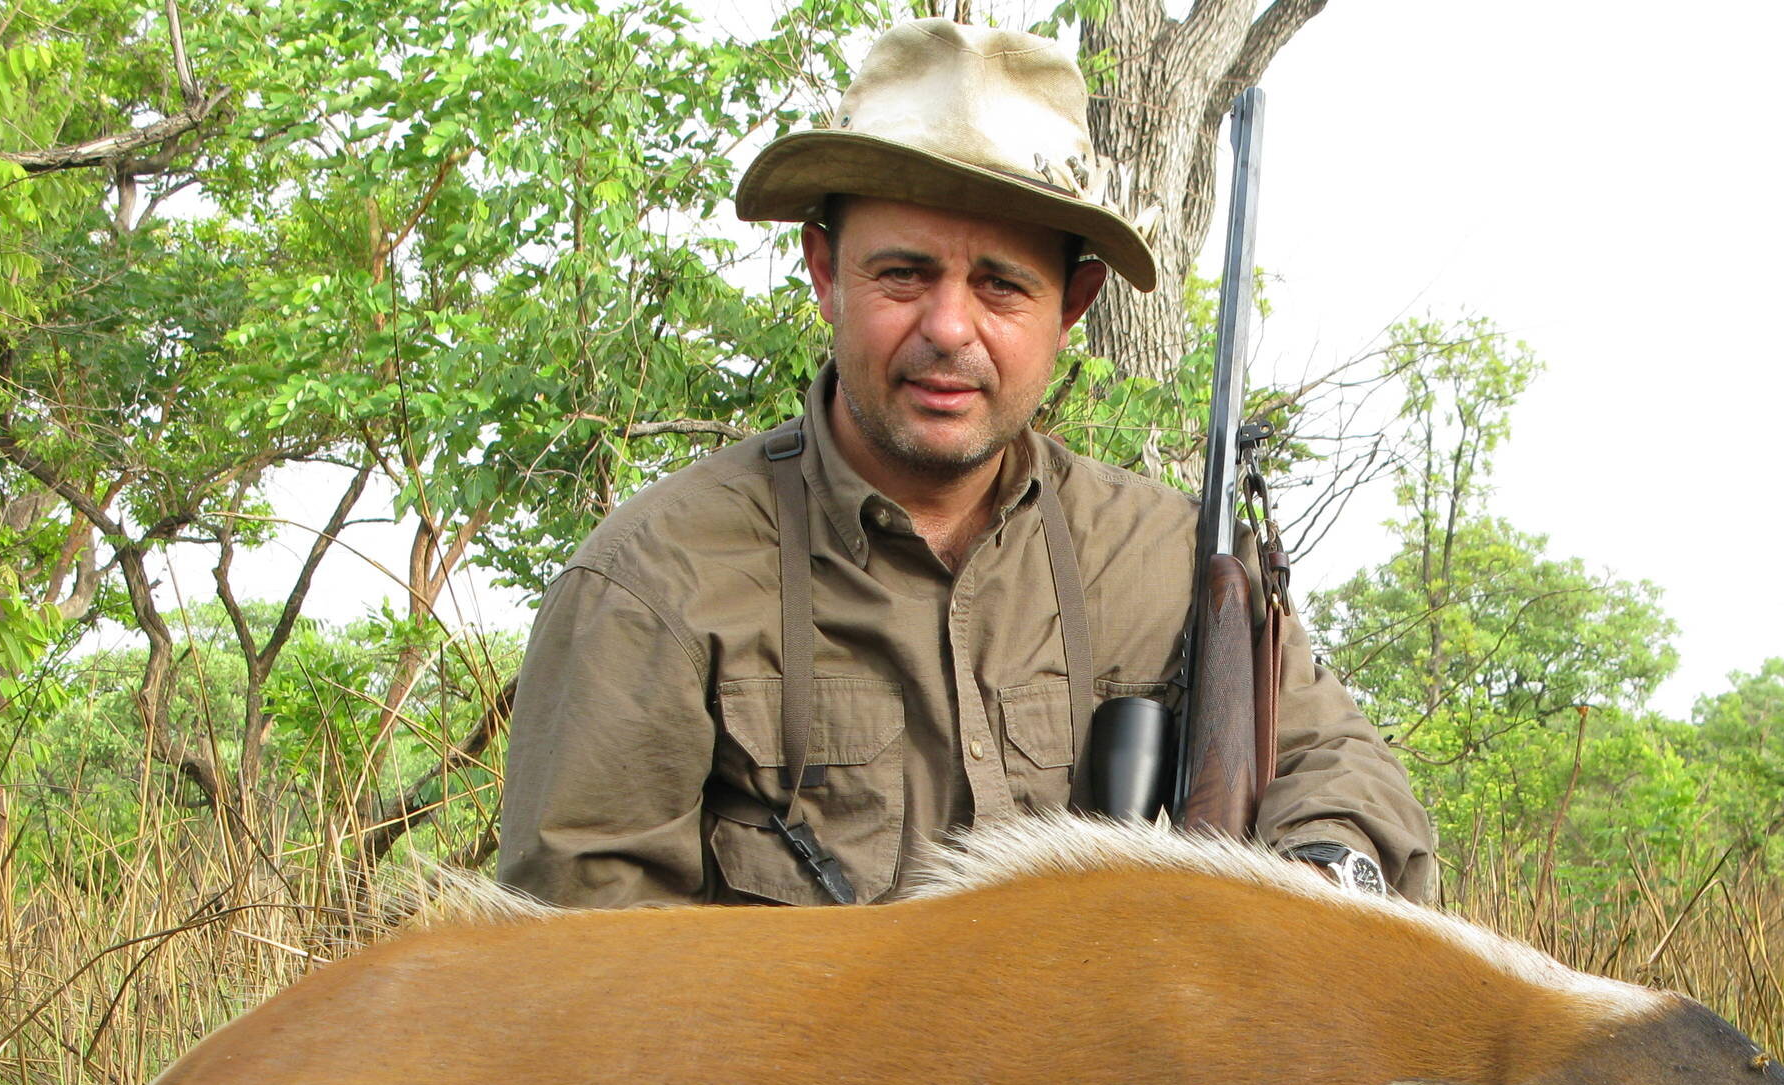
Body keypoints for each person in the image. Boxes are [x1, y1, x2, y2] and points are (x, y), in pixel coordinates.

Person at [497, 19, 1434, 910]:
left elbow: (1350, 778)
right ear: (824, 271)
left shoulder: (1165, 555)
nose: (949, 329)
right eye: (903, 274)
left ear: (1074, 305)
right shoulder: (654, 577)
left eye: (1001, 285)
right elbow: (584, 965)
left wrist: (1315, 880)